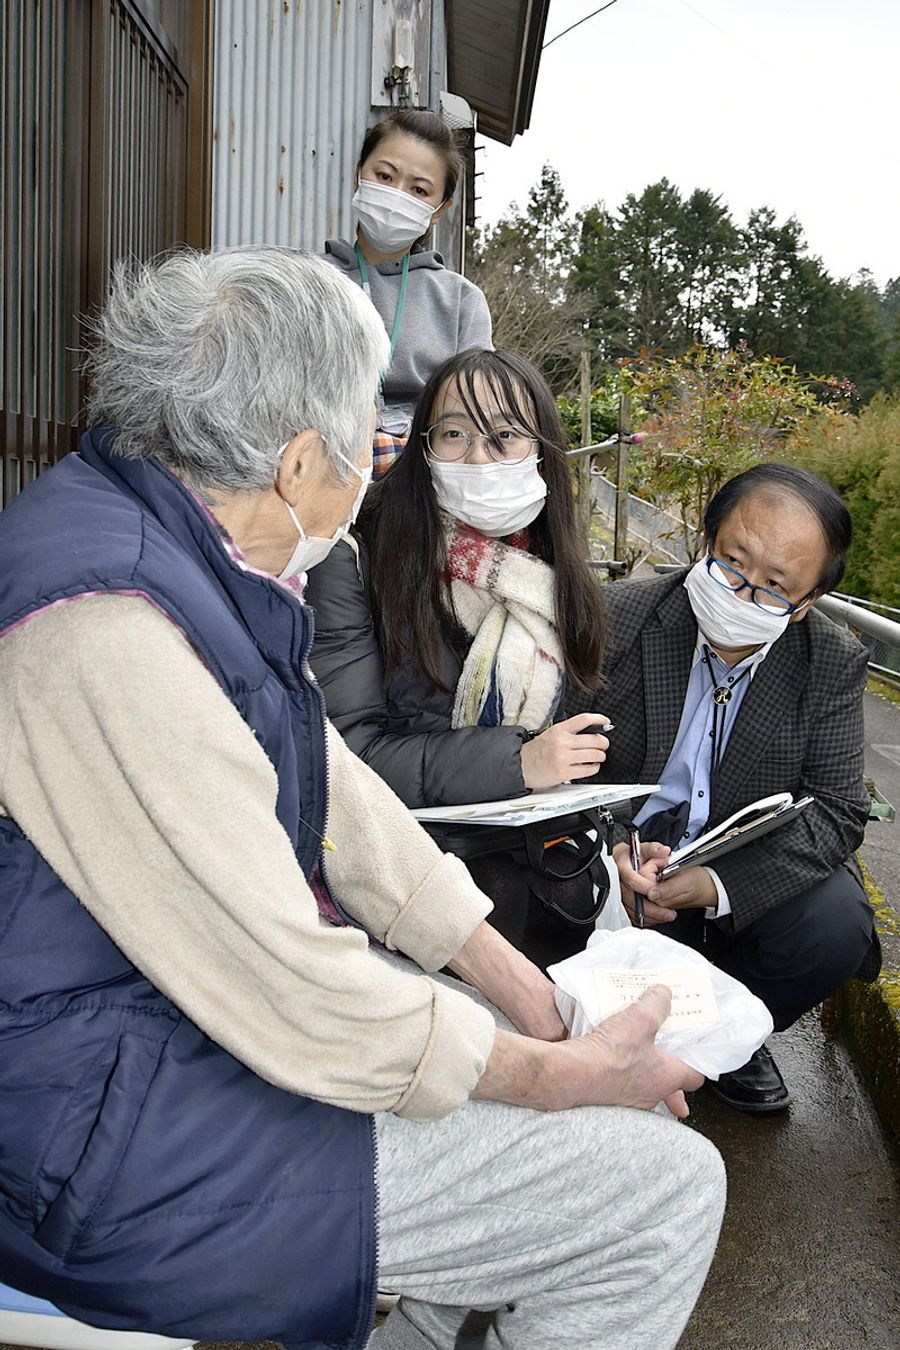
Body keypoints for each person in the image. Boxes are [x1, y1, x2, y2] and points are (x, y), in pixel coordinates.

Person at [0, 247, 725, 1350]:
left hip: (146, 1033)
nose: (375, 472)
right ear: (299, 463)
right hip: (95, 1127)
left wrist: (518, 990)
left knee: (508, 1059)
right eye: (369, 446)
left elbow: (333, 785)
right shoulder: (111, 628)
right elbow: (282, 979)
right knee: (661, 1189)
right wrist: (554, 1075)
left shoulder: (171, 539)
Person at [574, 464, 881, 1114]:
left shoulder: (830, 662)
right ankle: (620, 1024)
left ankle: (727, 1037)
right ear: (704, 541)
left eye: (775, 587)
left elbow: (838, 809)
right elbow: (564, 762)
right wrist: (615, 852)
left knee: (835, 924)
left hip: (734, 865)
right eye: (732, 563)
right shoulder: (614, 618)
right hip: (621, 852)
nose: (743, 594)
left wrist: (715, 885)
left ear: (808, 602)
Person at [307, 348, 617, 969]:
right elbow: (348, 755)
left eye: (504, 437)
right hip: (404, 859)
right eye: (454, 434)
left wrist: (623, 834)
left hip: (535, 850)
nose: (478, 458)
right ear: (422, 445)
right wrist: (519, 761)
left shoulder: (549, 574)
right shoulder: (356, 557)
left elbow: (581, 743)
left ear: (542, 452)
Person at [323, 108, 492, 476]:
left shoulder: (461, 301)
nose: (396, 195)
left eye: (419, 190)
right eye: (384, 176)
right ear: (358, 176)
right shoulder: (308, 282)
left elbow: (475, 411)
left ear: (440, 210)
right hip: (320, 472)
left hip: (425, 480)